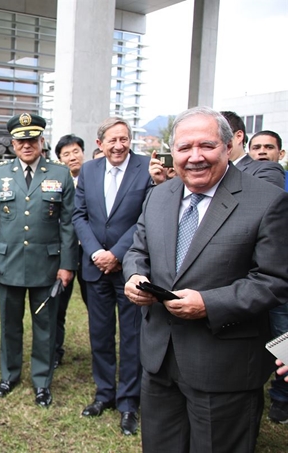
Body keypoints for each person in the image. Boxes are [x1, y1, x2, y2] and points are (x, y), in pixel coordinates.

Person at [123, 106, 288, 452]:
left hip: (223, 366)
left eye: (206, 146)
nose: (194, 157)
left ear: (228, 147)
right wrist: (135, 275)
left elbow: (274, 280)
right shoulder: (158, 196)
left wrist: (209, 304)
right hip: (159, 360)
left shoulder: (267, 201)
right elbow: (139, 250)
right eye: (184, 148)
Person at [0, 113, 77, 407]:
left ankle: (42, 382)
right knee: (9, 324)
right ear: (12, 143)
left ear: (41, 141)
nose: (27, 145)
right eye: (21, 140)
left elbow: (68, 224)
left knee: (44, 326)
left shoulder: (59, 174)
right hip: (7, 263)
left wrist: (67, 264)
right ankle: (9, 375)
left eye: (32, 139)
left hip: (46, 265)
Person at [72, 117, 151, 435]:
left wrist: (116, 254)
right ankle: (104, 393)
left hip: (129, 268)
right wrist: (95, 253)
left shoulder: (145, 168)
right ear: (100, 143)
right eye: (112, 140)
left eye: (125, 139)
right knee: (100, 334)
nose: (119, 145)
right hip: (94, 267)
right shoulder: (89, 171)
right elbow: (79, 215)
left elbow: (147, 215)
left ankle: (129, 402)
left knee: (132, 337)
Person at [247, 129, 288, 423]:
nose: (262, 151)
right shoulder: (246, 184)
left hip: (282, 277)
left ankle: (282, 397)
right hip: (255, 277)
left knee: (283, 336)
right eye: (256, 146)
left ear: (280, 154)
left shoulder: (277, 185)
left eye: (269, 147)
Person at [52, 134, 88, 368]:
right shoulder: (56, 181)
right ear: (60, 159)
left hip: (89, 253)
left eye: (75, 151)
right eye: (66, 154)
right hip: (64, 251)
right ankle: (55, 350)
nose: (72, 157)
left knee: (95, 304)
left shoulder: (94, 179)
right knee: (57, 305)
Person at [220, 111, 284, 188]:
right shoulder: (213, 171)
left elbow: (263, 198)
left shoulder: (268, 169)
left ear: (239, 136)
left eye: (219, 137)